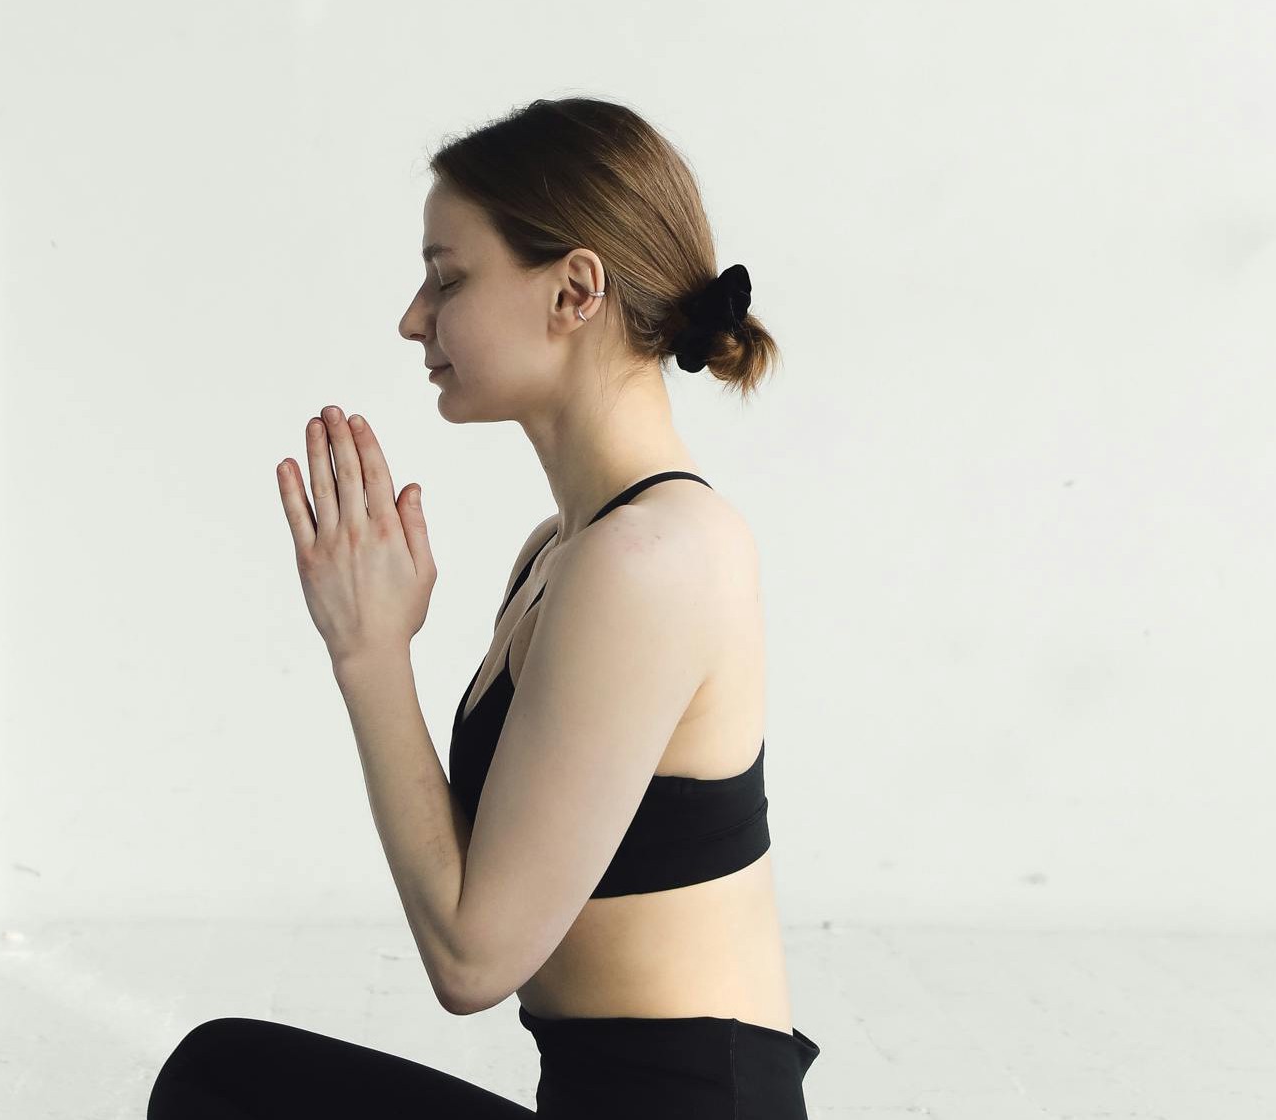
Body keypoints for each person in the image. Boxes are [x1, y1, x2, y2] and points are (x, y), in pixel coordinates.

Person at [149, 98, 819, 1118]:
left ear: (574, 290)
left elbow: (473, 960)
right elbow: (490, 873)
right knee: (223, 1073)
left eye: (448, 278)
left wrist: (370, 656)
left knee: (223, 1085)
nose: (413, 318)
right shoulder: (562, 550)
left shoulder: (651, 559)